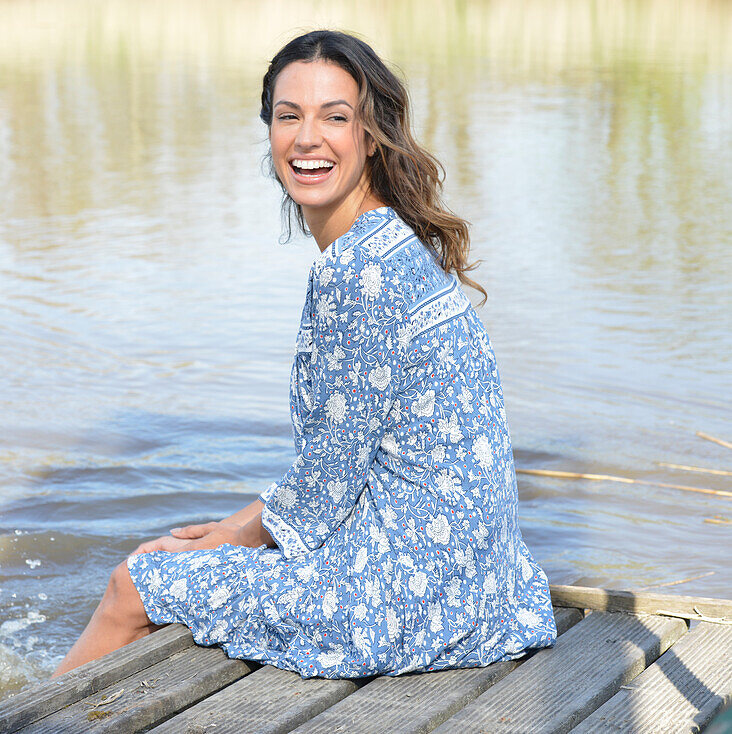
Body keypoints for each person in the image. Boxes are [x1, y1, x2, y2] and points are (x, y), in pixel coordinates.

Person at [53, 29, 556, 680]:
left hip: (401, 605)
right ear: (269, 131)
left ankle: (23, 721)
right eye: (289, 116)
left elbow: (326, 488)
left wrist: (223, 536)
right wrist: (232, 529)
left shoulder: (356, 277)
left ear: (371, 135)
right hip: (491, 589)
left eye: (335, 117)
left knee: (135, 583)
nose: (307, 138)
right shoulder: (398, 246)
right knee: (210, 551)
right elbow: (344, 469)